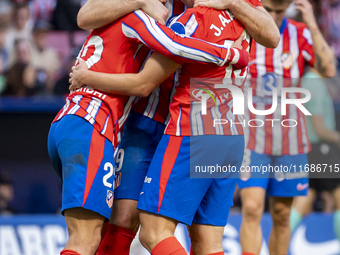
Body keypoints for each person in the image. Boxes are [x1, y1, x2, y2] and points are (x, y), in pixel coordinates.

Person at [75, 0, 280, 254]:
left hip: (185, 126)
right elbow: (84, 17)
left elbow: (271, 35)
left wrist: (86, 77)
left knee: (158, 230)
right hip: (154, 125)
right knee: (126, 219)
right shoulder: (204, 16)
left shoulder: (200, 16)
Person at [237, 0, 336, 254]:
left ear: (288, 10)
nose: (272, 16)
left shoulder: (300, 33)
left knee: (282, 213)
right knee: (252, 208)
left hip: (290, 139)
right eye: (268, 10)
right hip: (252, 136)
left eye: (279, 12)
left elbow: (328, 69)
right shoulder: (244, 28)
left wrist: (311, 22)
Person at [290, 67, 340, 242]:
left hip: (308, 149)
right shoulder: (315, 84)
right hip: (321, 149)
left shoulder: (306, 81)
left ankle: (278, 242)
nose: (332, 61)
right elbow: (319, 128)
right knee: (338, 197)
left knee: (305, 198)